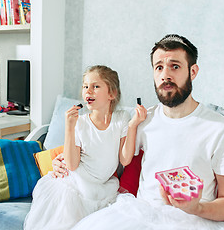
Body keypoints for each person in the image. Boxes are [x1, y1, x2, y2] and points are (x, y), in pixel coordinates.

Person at [53, 34, 224, 230]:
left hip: (193, 221)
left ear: (192, 71)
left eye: (175, 66)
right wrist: (62, 160)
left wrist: (196, 208)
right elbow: (103, 150)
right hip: (140, 216)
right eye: (159, 67)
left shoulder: (220, 128)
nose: (165, 75)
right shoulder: (141, 120)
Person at [24, 65, 147, 230]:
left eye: (96, 86)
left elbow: (124, 159)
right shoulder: (80, 123)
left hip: (104, 189)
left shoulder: (122, 119)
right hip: (76, 185)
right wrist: (69, 126)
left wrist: (133, 126)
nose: (88, 91)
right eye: (85, 86)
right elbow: (72, 164)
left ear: (112, 94)